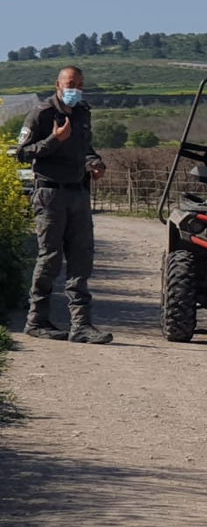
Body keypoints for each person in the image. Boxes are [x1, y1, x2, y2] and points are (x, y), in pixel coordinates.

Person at [14, 66, 113, 344]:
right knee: (50, 258)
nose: (75, 89)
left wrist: (94, 163)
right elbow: (22, 153)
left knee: (82, 259)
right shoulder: (42, 114)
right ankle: (37, 320)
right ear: (58, 84)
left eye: (80, 84)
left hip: (79, 193)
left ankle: (81, 325)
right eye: (71, 83)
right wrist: (53, 140)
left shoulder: (82, 113)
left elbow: (85, 149)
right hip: (50, 195)